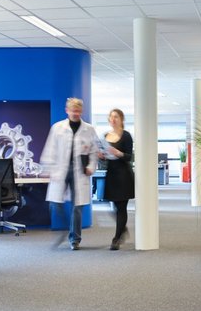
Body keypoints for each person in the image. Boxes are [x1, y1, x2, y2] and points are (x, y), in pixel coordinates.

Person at [41, 98, 98, 250]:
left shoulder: (89, 129)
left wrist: (92, 166)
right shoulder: (58, 128)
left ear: (81, 111)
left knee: (77, 207)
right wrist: (48, 169)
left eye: (78, 111)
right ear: (67, 110)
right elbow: (50, 149)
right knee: (54, 204)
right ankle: (66, 227)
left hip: (79, 171)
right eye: (73, 110)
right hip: (61, 169)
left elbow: (94, 151)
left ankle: (75, 239)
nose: (75, 113)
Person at [99, 108, 134, 250]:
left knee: (121, 207)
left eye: (116, 117)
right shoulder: (105, 136)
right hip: (111, 174)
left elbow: (129, 157)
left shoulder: (126, 136)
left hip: (123, 175)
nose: (113, 119)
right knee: (111, 206)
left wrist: (119, 153)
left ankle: (116, 238)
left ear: (122, 119)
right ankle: (122, 229)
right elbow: (104, 158)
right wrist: (101, 156)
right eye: (111, 117)